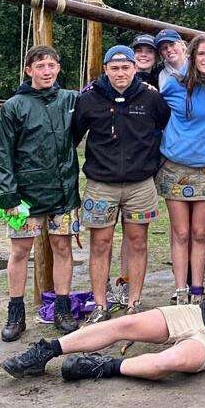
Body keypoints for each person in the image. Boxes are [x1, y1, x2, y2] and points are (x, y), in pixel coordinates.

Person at [1, 225, 205, 381]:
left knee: (168, 363)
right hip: (200, 315)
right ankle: (46, 351)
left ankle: (101, 366)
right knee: (125, 324)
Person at [70, 45, 169, 324]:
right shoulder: (89, 98)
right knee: (100, 243)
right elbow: (74, 135)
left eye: (126, 67)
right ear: (105, 70)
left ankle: (133, 302)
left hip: (140, 184)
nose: (120, 73)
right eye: (114, 68)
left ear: (135, 68)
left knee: (138, 242)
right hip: (101, 184)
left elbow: (165, 125)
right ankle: (100, 304)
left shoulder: (151, 97)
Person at [0, 45, 81, 339]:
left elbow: (100, 99)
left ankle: (62, 309)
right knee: (20, 251)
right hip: (25, 198)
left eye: (51, 65)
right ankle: (15, 313)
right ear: (29, 70)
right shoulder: (13, 106)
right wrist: (8, 195)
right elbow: (2, 153)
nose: (46, 71)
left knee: (63, 248)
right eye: (40, 66)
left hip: (63, 192)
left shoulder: (70, 100)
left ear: (58, 69)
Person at [156, 34, 205, 305]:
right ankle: (181, 290)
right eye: (201, 54)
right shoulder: (174, 85)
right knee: (181, 233)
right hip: (175, 168)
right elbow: (152, 110)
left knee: (199, 233)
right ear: (192, 56)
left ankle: (197, 291)